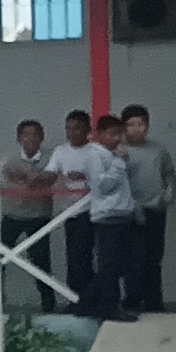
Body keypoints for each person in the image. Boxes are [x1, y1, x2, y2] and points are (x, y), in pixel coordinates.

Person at [44, 110, 122, 318]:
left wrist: (86, 177)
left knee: (107, 259)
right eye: (68, 128)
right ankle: (78, 301)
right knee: (77, 259)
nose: (72, 133)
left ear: (88, 129)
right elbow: (50, 174)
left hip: (98, 211)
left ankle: (102, 302)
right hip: (73, 213)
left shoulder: (97, 152)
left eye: (77, 128)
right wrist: (36, 179)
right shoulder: (60, 151)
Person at [82, 112, 143, 320]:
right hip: (107, 217)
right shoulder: (95, 155)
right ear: (100, 134)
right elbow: (103, 186)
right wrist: (119, 162)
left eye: (119, 133)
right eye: (112, 133)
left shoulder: (111, 155)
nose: (117, 138)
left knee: (125, 264)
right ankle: (107, 306)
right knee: (110, 266)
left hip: (123, 215)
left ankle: (87, 303)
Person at [117, 102, 175, 312]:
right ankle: (132, 299)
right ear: (124, 127)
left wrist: (170, 192)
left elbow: (169, 172)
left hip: (155, 210)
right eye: (131, 125)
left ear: (147, 126)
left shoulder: (158, 149)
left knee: (153, 257)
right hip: (129, 212)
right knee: (133, 258)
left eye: (140, 124)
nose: (136, 129)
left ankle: (154, 301)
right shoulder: (119, 151)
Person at [0, 117, 58, 313]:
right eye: (26, 135)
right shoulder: (8, 160)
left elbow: (47, 179)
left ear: (42, 137)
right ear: (18, 138)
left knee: (41, 263)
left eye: (35, 134)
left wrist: (29, 177)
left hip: (39, 218)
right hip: (11, 217)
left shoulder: (52, 158)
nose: (31, 138)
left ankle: (49, 306)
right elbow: (6, 177)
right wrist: (35, 177)